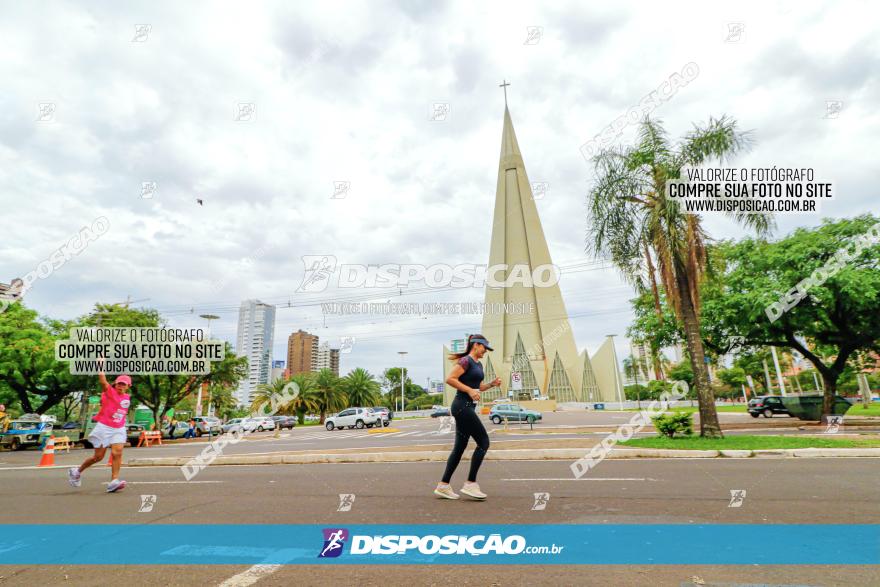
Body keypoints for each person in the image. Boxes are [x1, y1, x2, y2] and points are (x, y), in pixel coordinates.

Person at [435, 334, 501, 500]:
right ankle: (470, 484)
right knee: (484, 442)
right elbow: (450, 379)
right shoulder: (466, 361)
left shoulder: (478, 364)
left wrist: (492, 384)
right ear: (476, 345)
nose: (486, 351)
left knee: (459, 448)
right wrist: (469, 391)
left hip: (466, 407)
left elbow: (478, 387)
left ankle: (443, 485)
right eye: (485, 347)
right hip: (461, 406)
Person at [68, 363, 131, 492]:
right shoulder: (109, 392)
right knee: (98, 457)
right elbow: (102, 380)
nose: (120, 386)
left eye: (123, 384)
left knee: (117, 452)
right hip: (104, 427)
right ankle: (77, 471)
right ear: (115, 384)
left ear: (128, 386)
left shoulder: (126, 397)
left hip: (118, 428)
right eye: (119, 383)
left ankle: (114, 481)